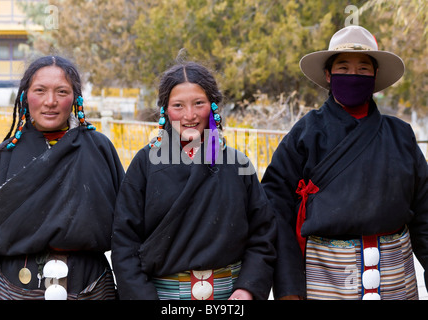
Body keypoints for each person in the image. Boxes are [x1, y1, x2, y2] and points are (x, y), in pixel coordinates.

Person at [262, 25, 427, 300]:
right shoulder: (306, 133)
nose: (354, 76)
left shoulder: (401, 135)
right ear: (328, 75)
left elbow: (424, 212)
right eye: (343, 68)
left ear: (374, 77)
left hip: (396, 280)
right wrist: (289, 288)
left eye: (363, 69)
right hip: (325, 280)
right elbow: (276, 207)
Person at [111, 61, 276, 300]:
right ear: (165, 110)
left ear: (213, 106)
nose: (190, 115)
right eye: (178, 106)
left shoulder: (237, 164)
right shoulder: (145, 164)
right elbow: (124, 242)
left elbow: (263, 233)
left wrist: (247, 288)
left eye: (199, 103)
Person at [0, 56, 125, 300]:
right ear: (26, 96)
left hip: (92, 287)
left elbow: (126, 233)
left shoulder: (99, 149)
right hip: (17, 289)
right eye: (40, 90)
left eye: (62, 91)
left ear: (76, 98)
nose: (50, 102)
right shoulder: (5, 156)